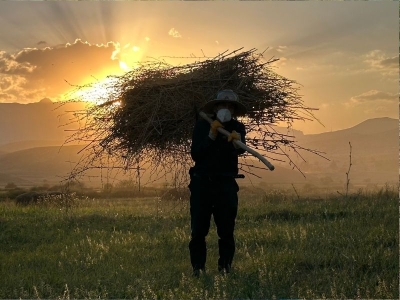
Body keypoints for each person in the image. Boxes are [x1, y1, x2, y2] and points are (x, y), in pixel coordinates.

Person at [188, 89, 247, 277]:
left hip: (226, 185)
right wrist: (211, 136)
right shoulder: (202, 126)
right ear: (216, 107)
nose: (226, 109)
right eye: (223, 105)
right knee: (198, 230)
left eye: (230, 106)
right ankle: (198, 268)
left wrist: (236, 142)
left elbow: (240, 152)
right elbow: (196, 154)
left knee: (226, 231)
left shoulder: (238, 128)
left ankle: (225, 268)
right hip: (202, 184)